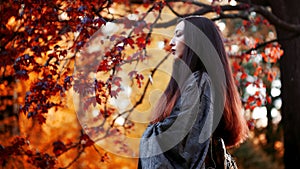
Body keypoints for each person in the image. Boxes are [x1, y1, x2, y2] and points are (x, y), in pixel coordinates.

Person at [138, 16, 249, 169]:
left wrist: (151, 134)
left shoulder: (200, 82)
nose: (171, 42)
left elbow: (180, 146)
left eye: (178, 35)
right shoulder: (193, 83)